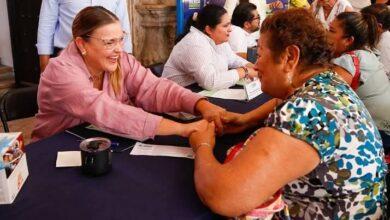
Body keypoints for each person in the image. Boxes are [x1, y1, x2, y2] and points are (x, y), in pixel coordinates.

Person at [188, 8, 386, 219]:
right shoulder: (328, 82)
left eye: (261, 53)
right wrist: (245, 120)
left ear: (290, 57)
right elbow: (280, 101)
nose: (256, 63)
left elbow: (224, 196)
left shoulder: (306, 111)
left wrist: (202, 144)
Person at [32, 6, 226, 141]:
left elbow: (153, 88)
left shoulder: (121, 59)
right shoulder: (60, 72)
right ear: (82, 44)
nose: (119, 49)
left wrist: (200, 105)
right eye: (109, 42)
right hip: (53, 153)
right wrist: (181, 129)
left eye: (120, 40)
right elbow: (107, 111)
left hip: (98, 144)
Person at [328, 11, 390, 149]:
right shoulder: (367, 53)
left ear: (349, 40)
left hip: (379, 135)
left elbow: (321, 97)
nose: (326, 34)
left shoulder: (348, 61)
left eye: (331, 31)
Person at [162, 5, 257, 90]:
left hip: (197, 91)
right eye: (225, 26)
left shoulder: (219, 39)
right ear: (209, 30)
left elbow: (232, 59)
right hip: (175, 97)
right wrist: (244, 71)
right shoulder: (195, 43)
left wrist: (254, 67)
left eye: (229, 24)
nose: (230, 29)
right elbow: (210, 82)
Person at [36, 0, 133, 72]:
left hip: (105, 56)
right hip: (67, 57)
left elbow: (123, 24)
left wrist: (128, 63)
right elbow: (46, 24)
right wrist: (44, 66)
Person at [361, 4, 390, 78]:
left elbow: (384, 73)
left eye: (364, 21)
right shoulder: (374, 36)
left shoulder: (384, 44)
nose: (360, 24)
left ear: (379, 27)